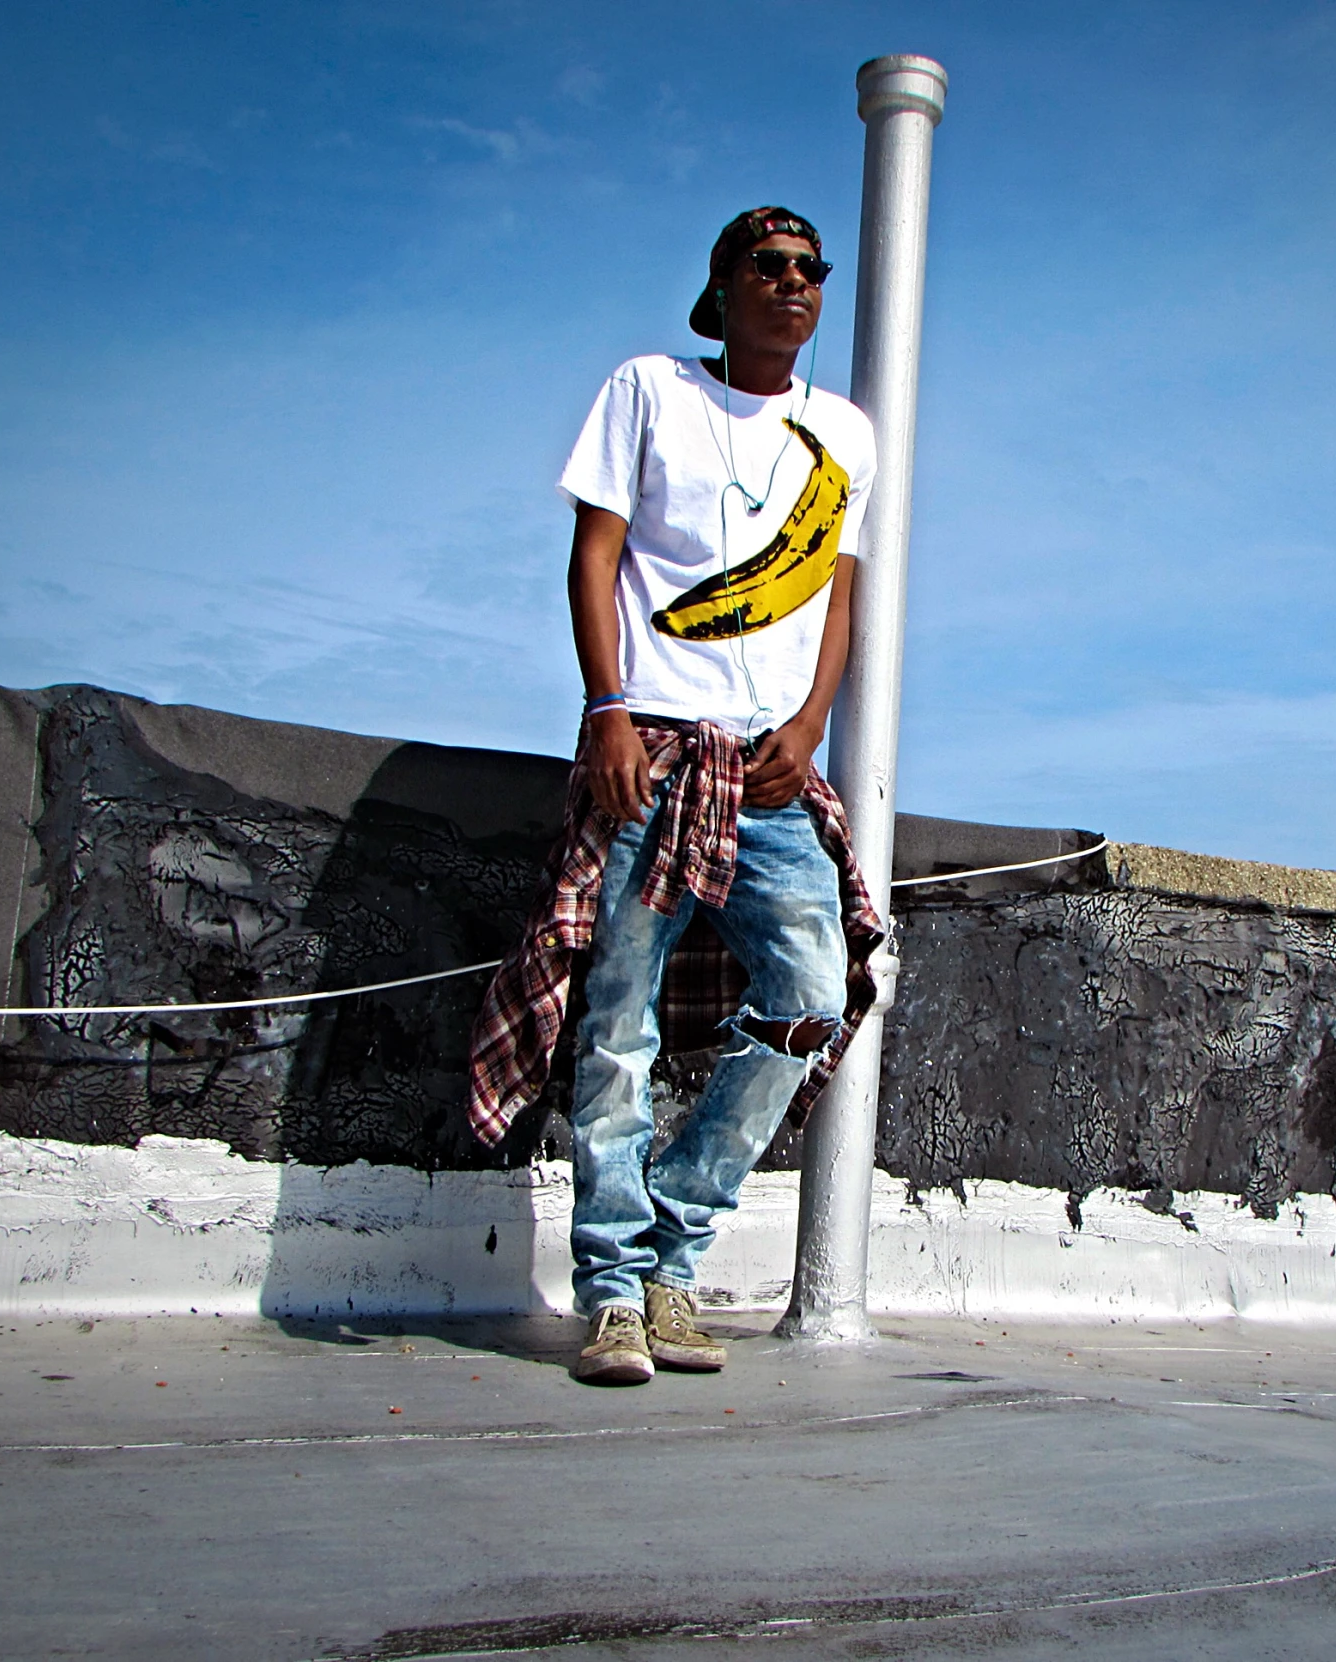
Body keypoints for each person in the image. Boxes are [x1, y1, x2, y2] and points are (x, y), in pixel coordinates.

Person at [465, 207, 884, 1385]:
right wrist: (605, 710)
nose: (794, 285)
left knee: (810, 1000)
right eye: (769, 266)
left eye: (811, 271)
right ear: (720, 287)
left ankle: (672, 1249)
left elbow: (835, 600)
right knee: (616, 1019)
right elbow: (593, 557)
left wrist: (808, 728)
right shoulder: (648, 388)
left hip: (769, 765)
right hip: (647, 745)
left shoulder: (842, 434)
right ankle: (612, 1291)